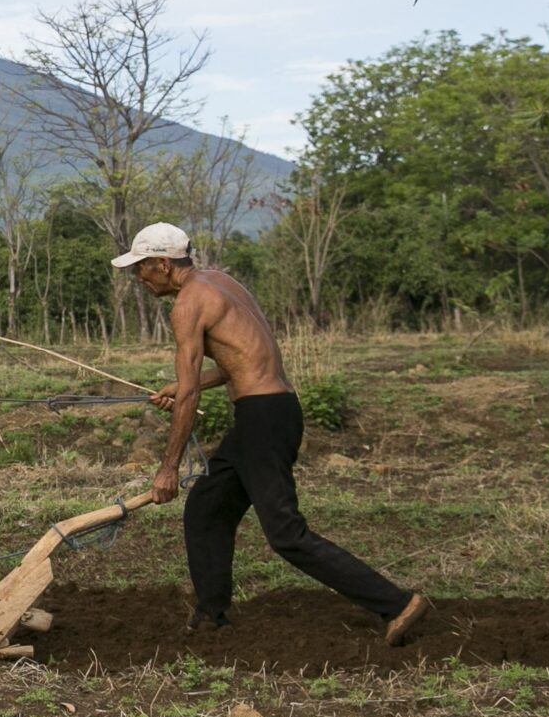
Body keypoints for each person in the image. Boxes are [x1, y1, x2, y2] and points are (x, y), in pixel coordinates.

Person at [116, 221, 429, 644]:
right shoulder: (221, 283)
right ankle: (211, 616)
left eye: (141, 267)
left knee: (286, 535)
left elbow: (188, 396)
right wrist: (185, 386)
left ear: (162, 264)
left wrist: (167, 467)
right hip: (269, 413)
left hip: (263, 418)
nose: (138, 277)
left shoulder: (187, 305)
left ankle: (396, 603)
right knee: (207, 509)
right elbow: (241, 361)